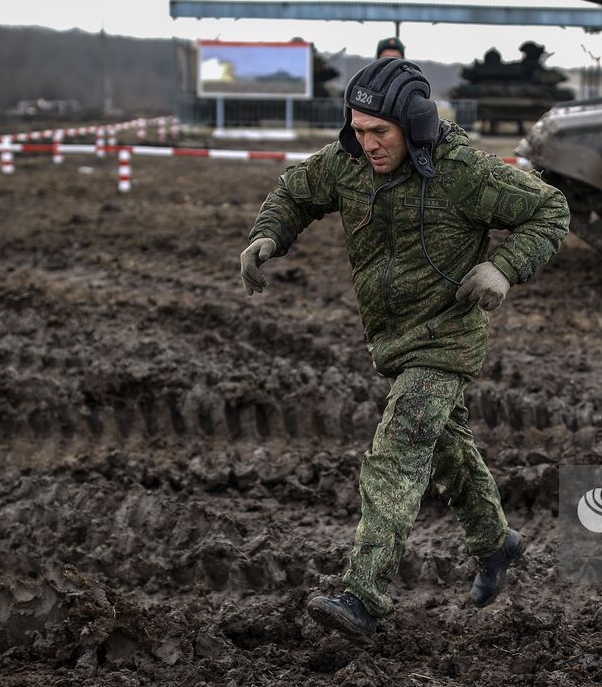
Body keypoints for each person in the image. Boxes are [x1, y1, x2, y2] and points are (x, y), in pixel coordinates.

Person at [240, 58, 569, 638]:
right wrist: (269, 235)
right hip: (394, 339)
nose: (366, 143)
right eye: (358, 129)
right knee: (447, 447)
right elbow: (296, 191)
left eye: (379, 132)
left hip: (448, 336)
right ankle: (496, 544)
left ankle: (363, 596)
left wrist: (504, 268)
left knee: (399, 449)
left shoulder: (464, 171)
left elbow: (550, 209)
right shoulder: (348, 162)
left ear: (413, 125)